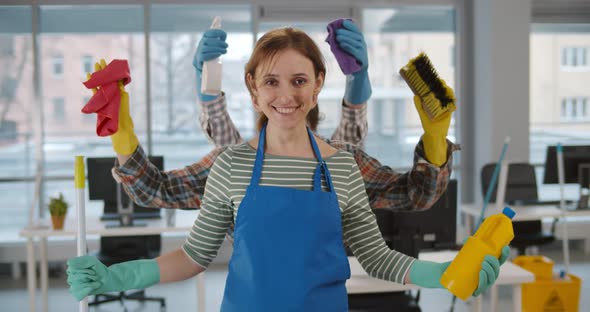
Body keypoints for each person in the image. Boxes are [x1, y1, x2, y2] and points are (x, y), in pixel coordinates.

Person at [67, 27, 508, 311]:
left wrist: (442, 274)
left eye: (299, 81)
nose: (286, 96)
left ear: (318, 85)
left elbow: (375, 258)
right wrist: (116, 276)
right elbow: (192, 257)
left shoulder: (344, 168)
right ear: (253, 89)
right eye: (272, 81)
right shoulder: (232, 164)